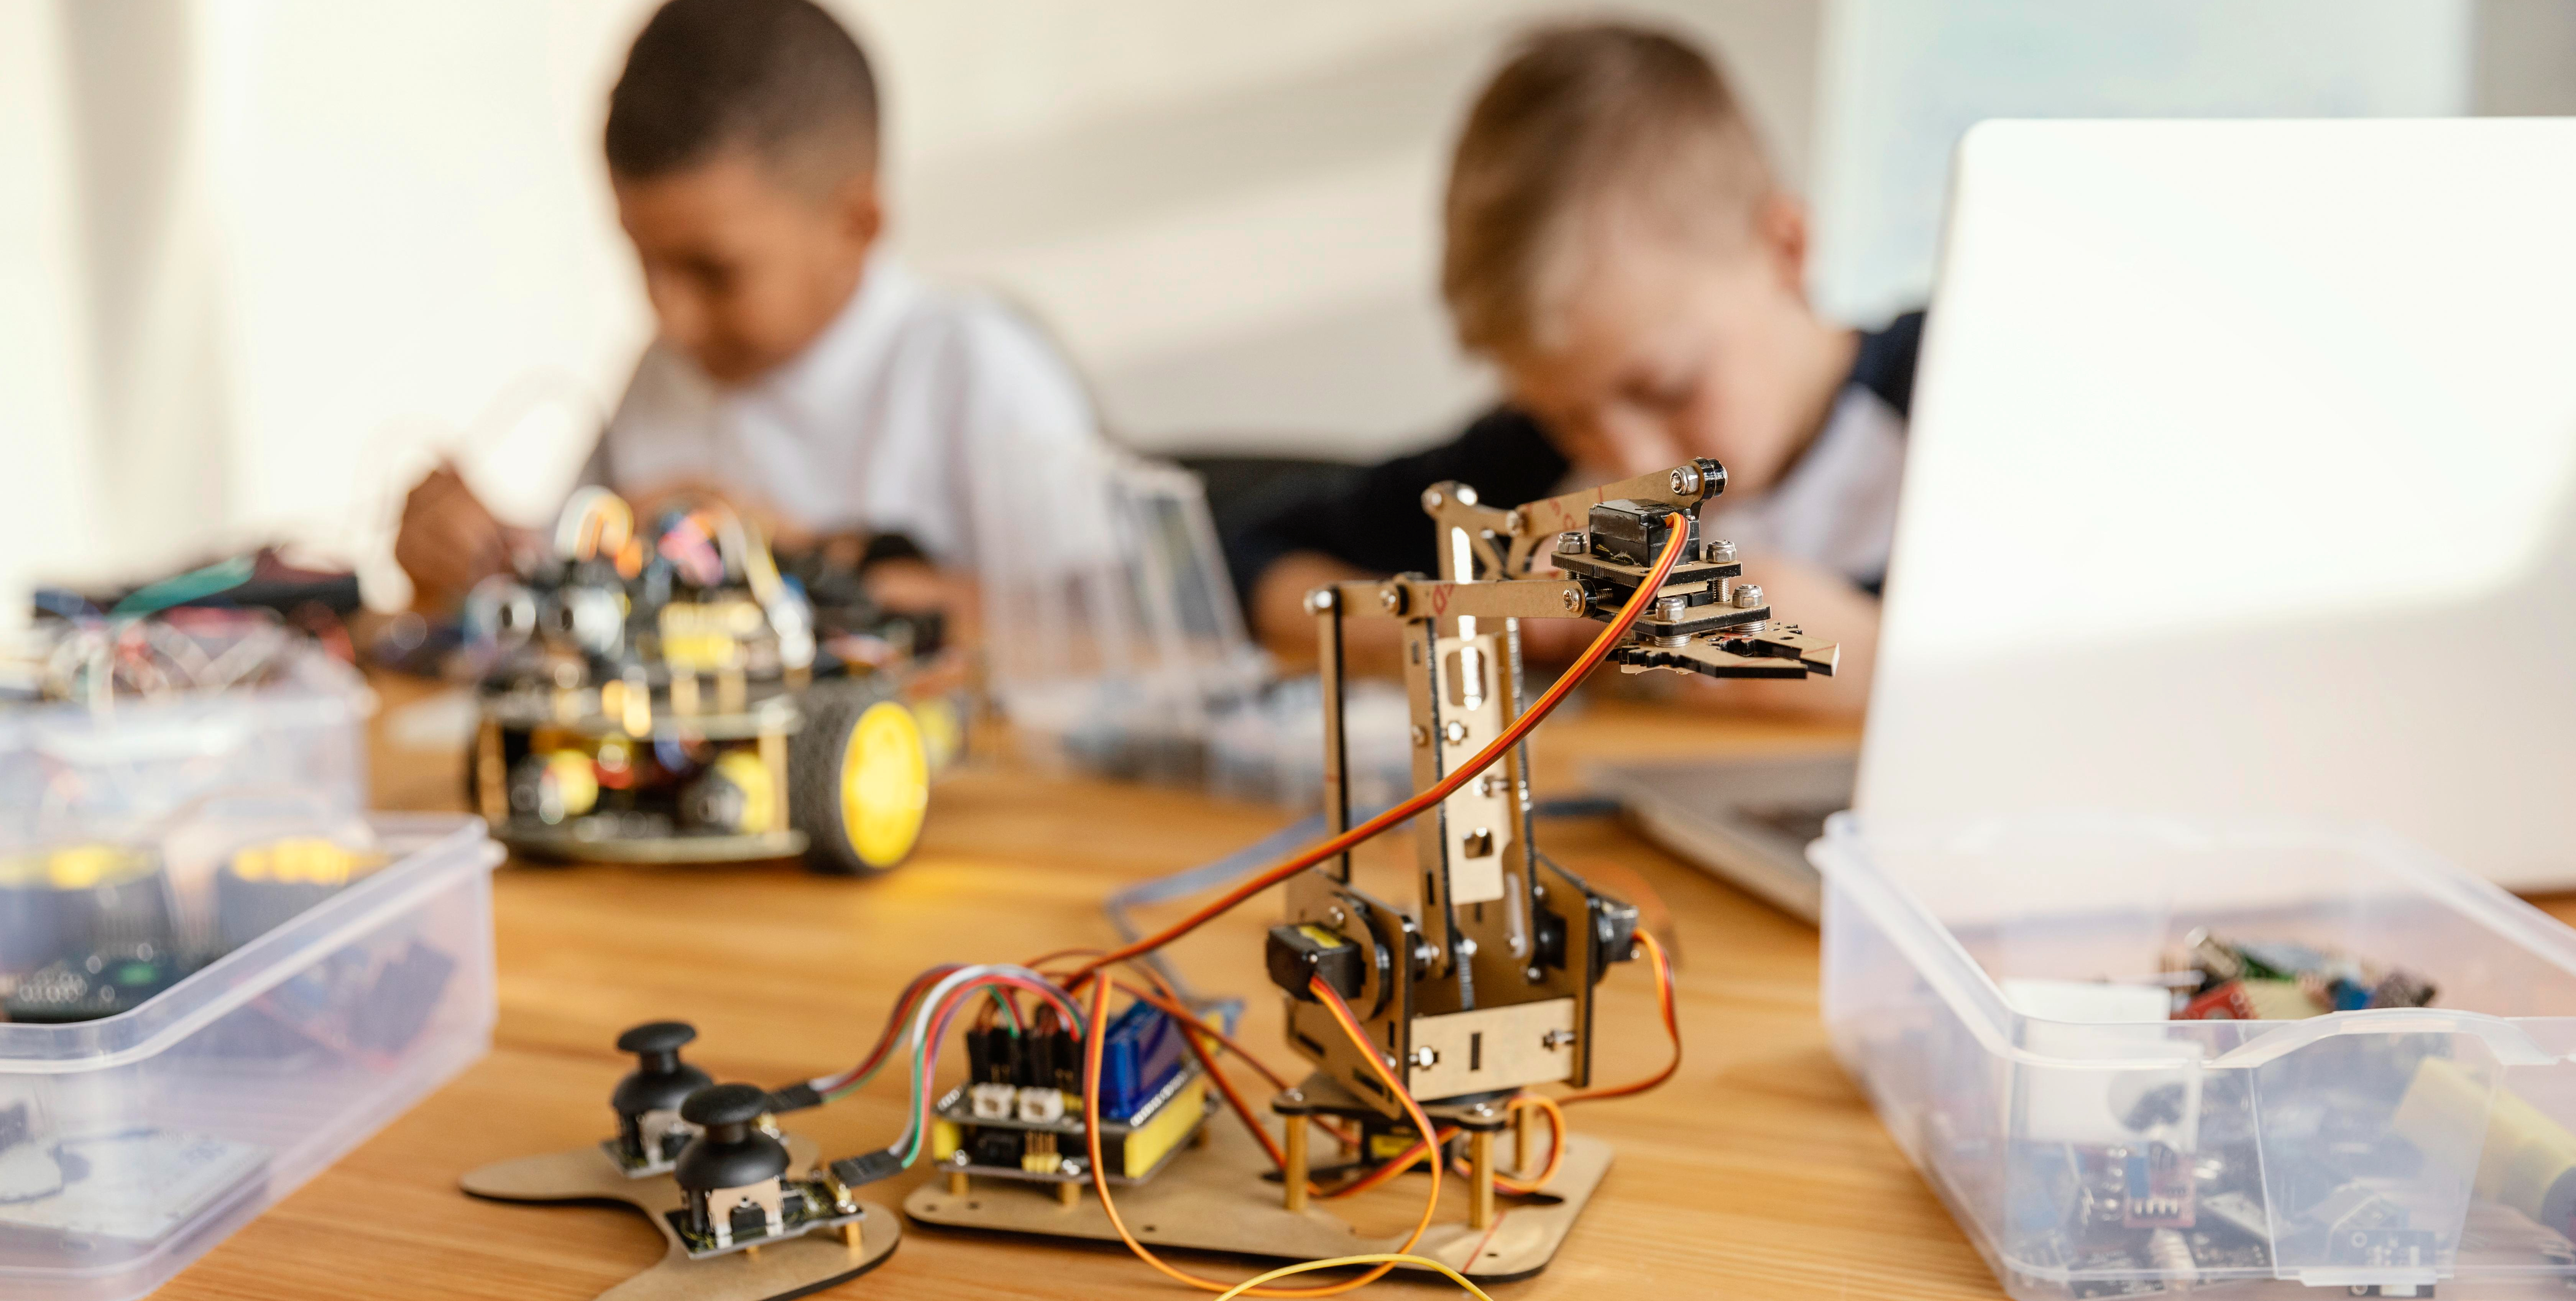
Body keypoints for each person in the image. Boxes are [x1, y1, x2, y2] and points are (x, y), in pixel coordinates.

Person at [1226, 23, 1920, 718]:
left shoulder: (1958, 396)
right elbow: (1244, 553)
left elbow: (2023, 695)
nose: (1629, 458)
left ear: (1784, 249)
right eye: (1567, 415)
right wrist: (1458, 615)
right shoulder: (1537, 454)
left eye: (1664, 387)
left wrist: (1849, 652)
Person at [396, 0, 1112, 623]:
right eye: (644, 261)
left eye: (715, 271)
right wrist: (478, 563)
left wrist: (798, 565)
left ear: (856, 224)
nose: (669, 315)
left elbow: (1113, 636)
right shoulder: (663, 376)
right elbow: (575, 592)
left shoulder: (975, 367)